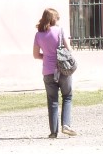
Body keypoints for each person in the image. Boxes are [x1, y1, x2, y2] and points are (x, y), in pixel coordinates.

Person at [33, 7, 77, 138]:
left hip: (47, 71)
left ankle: (53, 132)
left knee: (52, 101)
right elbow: (69, 50)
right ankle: (66, 125)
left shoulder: (38, 35)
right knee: (67, 97)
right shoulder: (60, 31)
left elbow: (36, 55)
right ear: (53, 19)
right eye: (57, 18)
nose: (58, 21)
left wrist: (47, 56)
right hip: (63, 70)